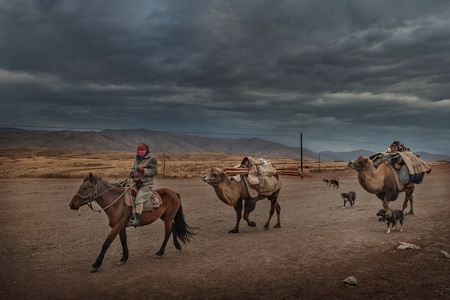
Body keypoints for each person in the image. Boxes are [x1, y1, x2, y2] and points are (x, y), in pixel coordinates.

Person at [129, 143, 159, 227]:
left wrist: (144, 170)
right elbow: (134, 168)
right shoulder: (136, 158)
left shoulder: (152, 159)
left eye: (143, 150)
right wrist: (132, 172)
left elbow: (155, 172)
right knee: (127, 194)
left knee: (139, 198)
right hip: (136, 182)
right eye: (139, 150)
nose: (141, 151)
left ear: (147, 150)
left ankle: (137, 219)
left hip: (146, 184)